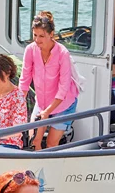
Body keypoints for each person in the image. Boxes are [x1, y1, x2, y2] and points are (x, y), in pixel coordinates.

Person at [18, 11, 79, 150]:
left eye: (41, 36)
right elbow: (24, 80)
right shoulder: (30, 50)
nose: (37, 40)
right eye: (35, 35)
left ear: (51, 34)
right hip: (42, 102)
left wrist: (47, 112)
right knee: (34, 142)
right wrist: (18, 104)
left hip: (63, 104)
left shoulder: (63, 53)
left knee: (51, 144)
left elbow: (63, 88)